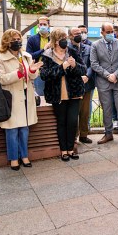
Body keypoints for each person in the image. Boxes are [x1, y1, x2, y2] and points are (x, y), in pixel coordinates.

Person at [0, 29, 43, 170]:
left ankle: (24, 155)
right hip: (11, 97)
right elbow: (1, 79)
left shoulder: (26, 56)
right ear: (6, 41)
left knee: (24, 129)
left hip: (26, 95)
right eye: (14, 39)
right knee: (12, 130)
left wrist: (33, 71)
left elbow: (32, 77)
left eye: (19, 38)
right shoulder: (0, 57)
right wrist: (18, 73)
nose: (18, 41)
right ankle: (13, 158)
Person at [40, 28, 86, 161]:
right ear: (55, 41)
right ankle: (63, 150)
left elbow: (83, 69)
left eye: (65, 38)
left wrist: (75, 65)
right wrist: (62, 67)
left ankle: (71, 149)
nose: (64, 41)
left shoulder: (72, 52)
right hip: (57, 95)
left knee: (72, 122)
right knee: (61, 122)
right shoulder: (47, 55)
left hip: (74, 93)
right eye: (61, 39)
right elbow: (44, 75)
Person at [90, 22, 118, 144]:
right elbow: (94, 64)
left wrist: (116, 75)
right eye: (108, 32)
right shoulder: (95, 45)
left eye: (112, 31)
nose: (111, 34)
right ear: (102, 33)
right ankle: (108, 133)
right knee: (106, 109)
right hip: (103, 82)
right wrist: (107, 75)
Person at [69, 27, 94, 144]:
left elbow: (92, 64)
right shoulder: (68, 49)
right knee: (74, 113)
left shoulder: (89, 48)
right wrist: (79, 77)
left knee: (85, 112)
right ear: (70, 36)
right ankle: (73, 136)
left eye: (81, 33)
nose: (79, 35)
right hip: (74, 85)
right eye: (76, 34)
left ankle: (84, 135)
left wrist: (87, 76)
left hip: (87, 84)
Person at [26, 16, 51, 96]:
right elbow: (29, 56)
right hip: (39, 73)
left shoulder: (53, 39)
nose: (42, 26)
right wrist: (43, 49)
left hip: (52, 72)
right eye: (41, 24)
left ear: (48, 25)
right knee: (41, 97)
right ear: (38, 26)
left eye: (45, 24)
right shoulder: (32, 39)